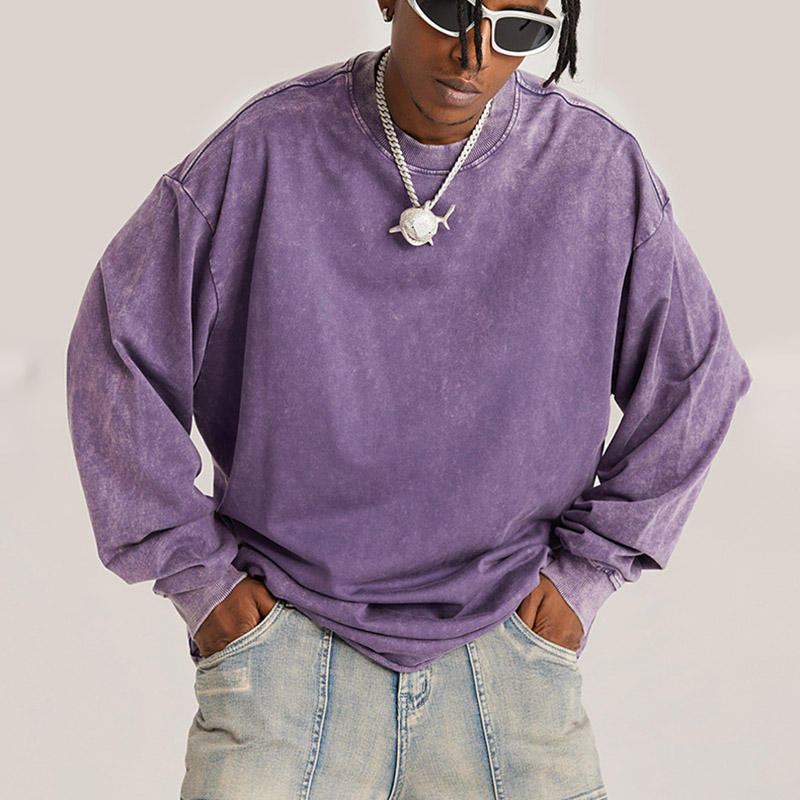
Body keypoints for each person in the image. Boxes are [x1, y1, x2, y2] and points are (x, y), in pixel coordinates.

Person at [65, 1, 753, 798]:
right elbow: (116, 347)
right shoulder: (264, 151)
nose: (473, 54)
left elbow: (699, 377)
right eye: (451, 9)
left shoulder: (596, 169)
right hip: (286, 657)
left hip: (509, 663)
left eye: (520, 29)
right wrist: (200, 582)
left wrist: (587, 575)